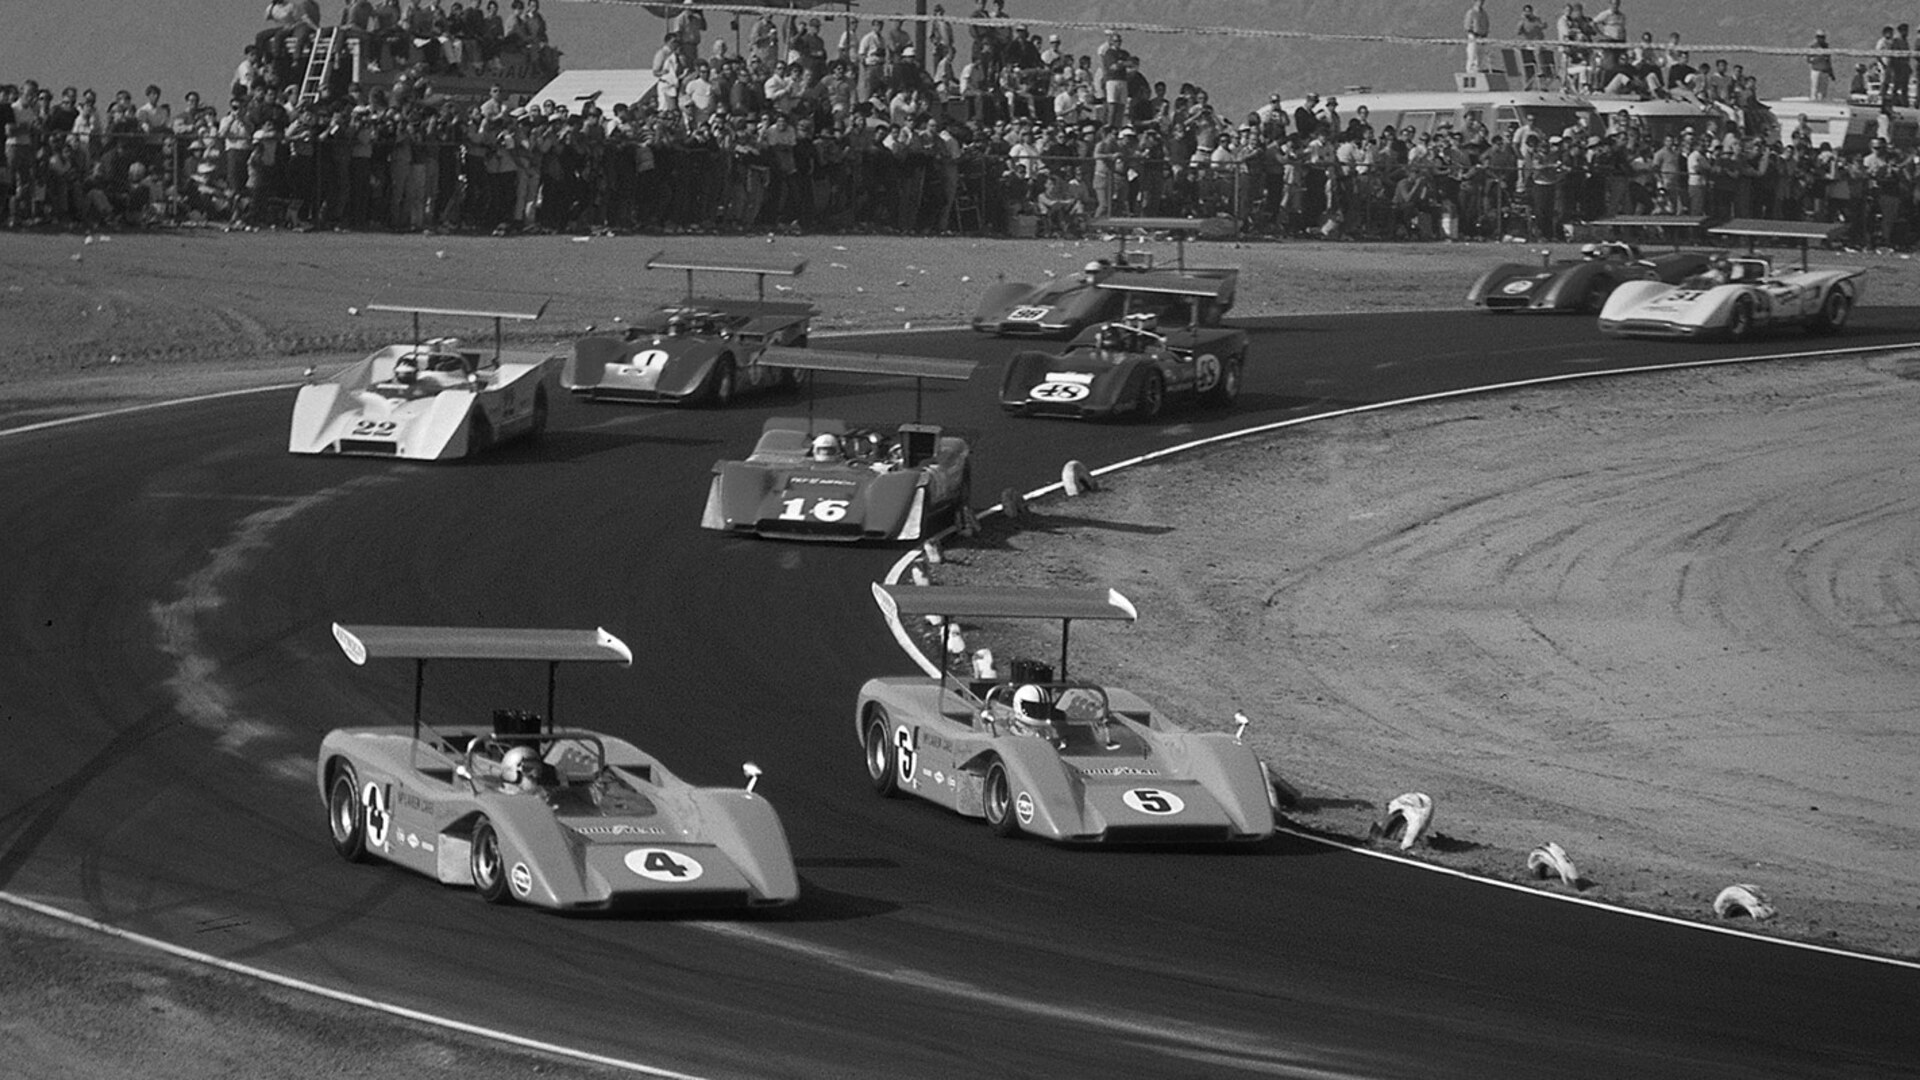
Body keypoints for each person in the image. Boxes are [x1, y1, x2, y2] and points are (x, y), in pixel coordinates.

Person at [1463, 0, 1490, 73]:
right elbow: (1467, 26)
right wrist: (1474, 34)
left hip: (1482, 38)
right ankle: (1470, 73)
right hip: (1473, 37)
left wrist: (1484, 35)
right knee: (1472, 55)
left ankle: (1478, 71)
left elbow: (1487, 25)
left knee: (1480, 57)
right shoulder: (1471, 13)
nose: (1481, 2)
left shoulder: (1484, 14)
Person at [1807, 31, 1834, 102]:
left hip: (1825, 71)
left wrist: (1831, 72)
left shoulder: (1826, 46)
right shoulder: (1813, 46)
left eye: (1822, 37)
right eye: (1819, 37)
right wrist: (1818, 58)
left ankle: (1821, 103)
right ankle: (1813, 103)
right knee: (1814, 89)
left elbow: (1828, 60)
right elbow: (1809, 59)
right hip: (1816, 70)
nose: (1821, 39)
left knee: (1823, 91)